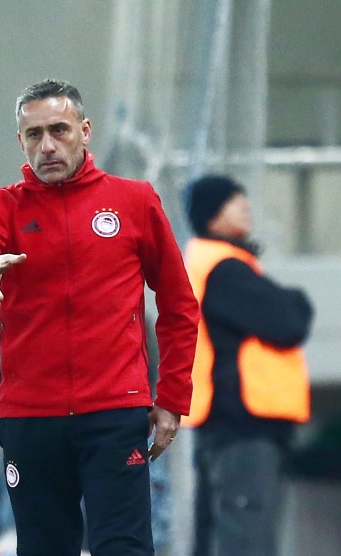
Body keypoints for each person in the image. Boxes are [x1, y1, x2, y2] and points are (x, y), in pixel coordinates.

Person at [0, 79, 200, 556]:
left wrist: (172, 399)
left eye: (59, 130)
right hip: (31, 419)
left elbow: (178, 304)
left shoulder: (135, 201)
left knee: (124, 548)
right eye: (34, 134)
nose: (47, 145)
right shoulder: (1, 205)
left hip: (114, 415)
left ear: (85, 131)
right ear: (20, 141)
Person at [180, 174, 312, 556]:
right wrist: (296, 299)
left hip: (223, 424)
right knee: (246, 536)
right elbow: (289, 321)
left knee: (220, 533)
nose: (246, 207)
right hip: (242, 424)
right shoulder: (225, 269)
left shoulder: (210, 264)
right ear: (211, 215)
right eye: (233, 200)